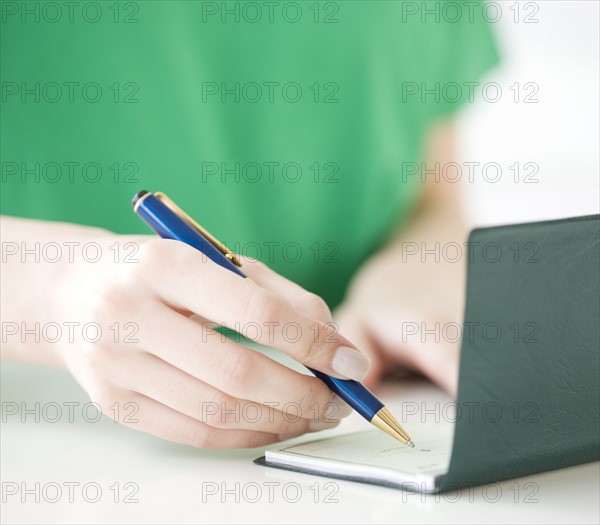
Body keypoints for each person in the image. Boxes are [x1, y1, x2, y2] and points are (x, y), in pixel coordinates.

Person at [1, 1, 498, 448]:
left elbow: (433, 192)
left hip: (385, 391)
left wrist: (413, 274)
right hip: (56, 439)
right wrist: (53, 288)